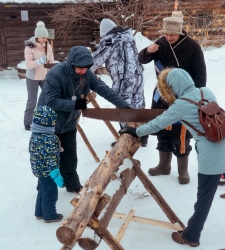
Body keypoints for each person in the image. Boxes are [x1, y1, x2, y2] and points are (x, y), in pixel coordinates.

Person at [119, 68, 225, 246]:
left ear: (173, 87)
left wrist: (136, 131)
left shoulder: (180, 105)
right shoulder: (207, 91)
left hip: (211, 153)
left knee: (205, 197)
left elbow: (157, 124)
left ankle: (191, 235)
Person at [37, 46, 129, 193]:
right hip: (48, 122)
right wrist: (74, 104)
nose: (83, 71)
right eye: (80, 68)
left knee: (70, 155)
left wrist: (124, 106)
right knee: (49, 156)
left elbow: (104, 89)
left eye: (86, 68)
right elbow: (51, 101)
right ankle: (44, 187)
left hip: (69, 122)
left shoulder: (87, 75)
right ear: (72, 64)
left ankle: (72, 184)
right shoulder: (56, 74)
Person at [138, 16, 206, 184]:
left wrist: (195, 96)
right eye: (167, 34)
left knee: (181, 133)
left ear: (180, 32)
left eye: (172, 35)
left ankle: (183, 171)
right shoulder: (161, 43)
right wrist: (148, 50)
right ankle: (164, 165)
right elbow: (142, 59)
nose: (169, 37)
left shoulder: (192, 46)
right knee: (162, 129)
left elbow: (200, 74)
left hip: (184, 96)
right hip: (162, 95)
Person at [91, 18, 148, 147]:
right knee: (138, 104)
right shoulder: (128, 37)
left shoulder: (109, 40)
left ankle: (125, 139)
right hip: (138, 75)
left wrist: (81, 67)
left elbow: (96, 59)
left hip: (123, 80)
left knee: (123, 107)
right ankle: (142, 135)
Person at [29, 106, 64, 223]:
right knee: (50, 193)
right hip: (48, 172)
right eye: (53, 122)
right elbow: (50, 158)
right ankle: (50, 215)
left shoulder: (35, 136)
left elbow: (37, 151)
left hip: (38, 169)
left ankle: (39, 212)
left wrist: (57, 149)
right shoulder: (49, 139)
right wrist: (55, 174)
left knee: (42, 190)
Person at [24, 21, 54, 131]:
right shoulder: (29, 47)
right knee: (32, 100)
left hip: (45, 77)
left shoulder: (48, 46)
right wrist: (39, 61)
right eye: (42, 37)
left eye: (45, 37)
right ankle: (28, 122)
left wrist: (51, 68)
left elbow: (50, 60)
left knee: (48, 98)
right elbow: (28, 65)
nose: (45, 39)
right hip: (32, 77)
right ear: (37, 37)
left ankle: (45, 120)